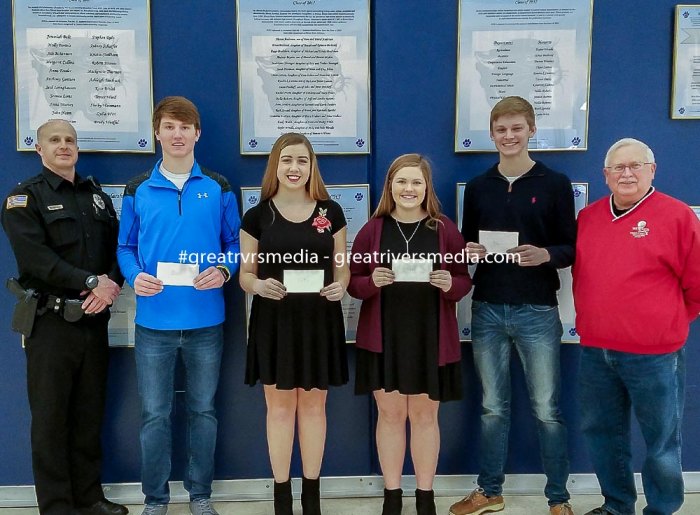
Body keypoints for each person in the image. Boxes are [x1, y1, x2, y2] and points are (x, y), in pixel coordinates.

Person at [451, 96, 576, 515]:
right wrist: (471, 251)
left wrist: (546, 255)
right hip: (487, 307)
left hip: (538, 310)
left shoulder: (555, 183)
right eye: (501, 130)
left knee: (547, 409)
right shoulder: (478, 187)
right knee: (491, 408)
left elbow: (571, 247)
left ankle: (558, 499)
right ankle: (490, 491)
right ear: (491, 134)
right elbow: (469, 244)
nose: (509, 136)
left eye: (516, 128)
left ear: (531, 130)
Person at [117, 97, 240, 515]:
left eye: (185, 127)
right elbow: (125, 246)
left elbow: (236, 243)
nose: (177, 134)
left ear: (197, 133)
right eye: (169, 126)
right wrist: (134, 276)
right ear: (157, 132)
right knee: (154, 415)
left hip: (207, 321)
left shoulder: (219, 187)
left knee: (203, 411)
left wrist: (224, 270)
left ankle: (200, 496)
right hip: (154, 324)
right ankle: (155, 499)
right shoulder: (137, 189)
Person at [1, 119, 127, 515]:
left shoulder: (98, 199)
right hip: (51, 322)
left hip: (93, 319)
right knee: (52, 418)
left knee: (89, 415)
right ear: (39, 149)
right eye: (54, 140)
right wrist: (90, 280)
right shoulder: (25, 199)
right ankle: (57, 506)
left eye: (70, 140)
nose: (64, 145)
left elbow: (118, 250)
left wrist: (109, 284)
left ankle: (90, 498)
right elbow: (35, 259)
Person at [573, 138, 700, 515]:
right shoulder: (589, 217)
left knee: (661, 441)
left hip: (655, 355)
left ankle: (661, 509)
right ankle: (616, 506)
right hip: (596, 351)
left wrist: (664, 323)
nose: (626, 173)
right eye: (618, 168)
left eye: (636, 166)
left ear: (652, 170)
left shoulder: (677, 216)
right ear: (606, 175)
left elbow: (696, 285)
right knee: (602, 434)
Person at [348, 154, 471, 515]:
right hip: (383, 336)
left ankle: (425, 497)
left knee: (424, 417)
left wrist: (450, 283)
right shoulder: (373, 229)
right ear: (390, 186)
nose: (409, 189)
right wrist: (371, 282)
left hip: (430, 338)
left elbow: (463, 279)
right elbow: (353, 282)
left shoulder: (444, 227)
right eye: (401, 181)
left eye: (416, 182)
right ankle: (391, 496)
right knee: (389, 416)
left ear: (426, 188)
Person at [239, 132, 349, 515]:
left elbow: (342, 267)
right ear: (275, 165)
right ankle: (282, 498)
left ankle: (312, 498)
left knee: (315, 409)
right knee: (281, 410)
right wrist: (258, 285)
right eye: (287, 160)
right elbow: (245, 276)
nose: (294, 168)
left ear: (311, 166)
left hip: (319, 320)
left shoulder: (330, 212)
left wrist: (342, 286)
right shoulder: (257, 215)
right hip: (275, 322)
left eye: (302, 161)